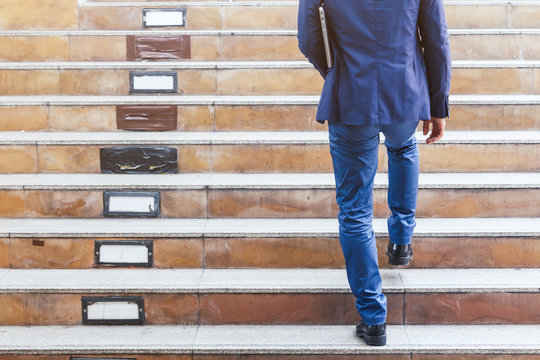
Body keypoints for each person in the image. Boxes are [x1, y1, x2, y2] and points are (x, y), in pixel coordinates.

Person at [297, 0, 451, 346]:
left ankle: (373, 319)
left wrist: (336, 71)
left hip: (351, 96)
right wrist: (437, 102)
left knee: (354, 210)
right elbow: (436, 39)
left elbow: (308, 36)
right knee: (404, 147)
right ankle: (401, 239)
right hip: (404, 91)